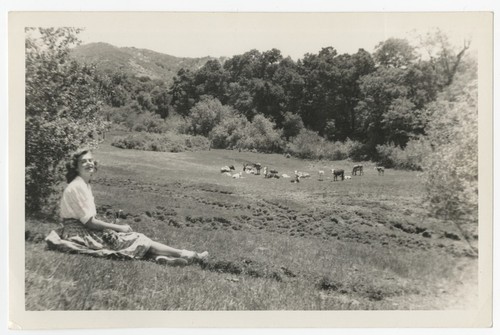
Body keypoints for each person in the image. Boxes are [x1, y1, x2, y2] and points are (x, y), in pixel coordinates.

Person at [45, 149, 209, 266]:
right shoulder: (78, 186)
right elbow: (89, 222)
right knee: (135, 237)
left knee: (128, 241)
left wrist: (112, 229)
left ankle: (165, 259)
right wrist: (118, 227)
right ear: (76, 167)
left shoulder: (83, 184)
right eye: (83, 161)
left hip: (80, 231)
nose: (89, 163)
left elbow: (89, 220)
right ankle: (189, 255)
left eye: (90, 160)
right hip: (79, 234)